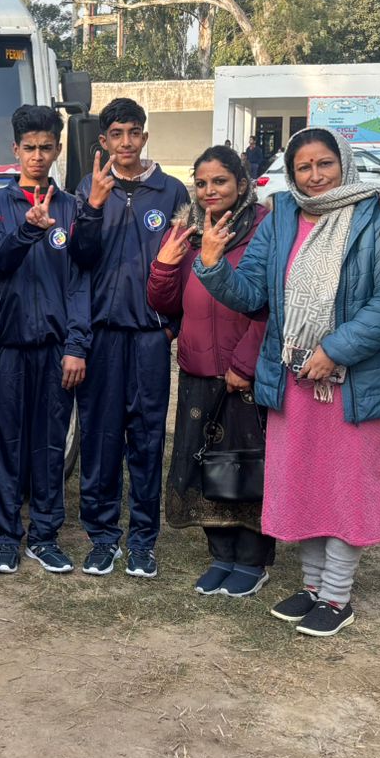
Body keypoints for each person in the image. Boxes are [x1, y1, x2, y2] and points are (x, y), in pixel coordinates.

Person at [195, 126, 380, 637]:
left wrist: (334, 351)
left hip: (353, 382)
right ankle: (314, 588)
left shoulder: (375, 214)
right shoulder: (281, 218)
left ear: (344, 163)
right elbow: (252, 294)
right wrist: (211, 265)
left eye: (325, 164)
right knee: (305, 485)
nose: (315, 176)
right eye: (303, 167)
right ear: (291, 174)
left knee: (348, 490)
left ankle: (337, 597)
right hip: (294, 378)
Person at [70, 98, 190, 579]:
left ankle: (142, 541)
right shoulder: (88, 188)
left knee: (146, 439)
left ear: (145, 136)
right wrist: (95, 206)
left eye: (133, 133)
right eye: (116, 134)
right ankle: (102, 538)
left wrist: (171, 325)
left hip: (149, 338)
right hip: (101, 336)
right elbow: (79, 258)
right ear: (103, 141)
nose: (126, 142)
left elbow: (185, 264)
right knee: (100, 439)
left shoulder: (171, 191)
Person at [148, 145, 273, 598]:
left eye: (219, 181)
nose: (209, 191)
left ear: (242, 183)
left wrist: (245, 363)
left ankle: (252, 561)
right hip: (198, 368)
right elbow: (164, 302)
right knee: (203, 464)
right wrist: (164, 265)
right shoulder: (189, 229)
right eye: (201, 183)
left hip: (244, 372)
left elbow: (270, 305)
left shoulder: (263, 229)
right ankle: (221, 556)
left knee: (246, 467)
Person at [0, 105, 89, 574]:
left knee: (50, 445)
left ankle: (44, 535)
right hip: (10, 346)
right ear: (15, 150)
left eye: (46, 147)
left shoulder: (72, 208)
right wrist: (27, 229)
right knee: (8, 443)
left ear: (58, 149)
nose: (38, 156)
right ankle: (7, 535)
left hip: (56, 348)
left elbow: (81, 283)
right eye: (29, 148)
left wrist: (76, 346)